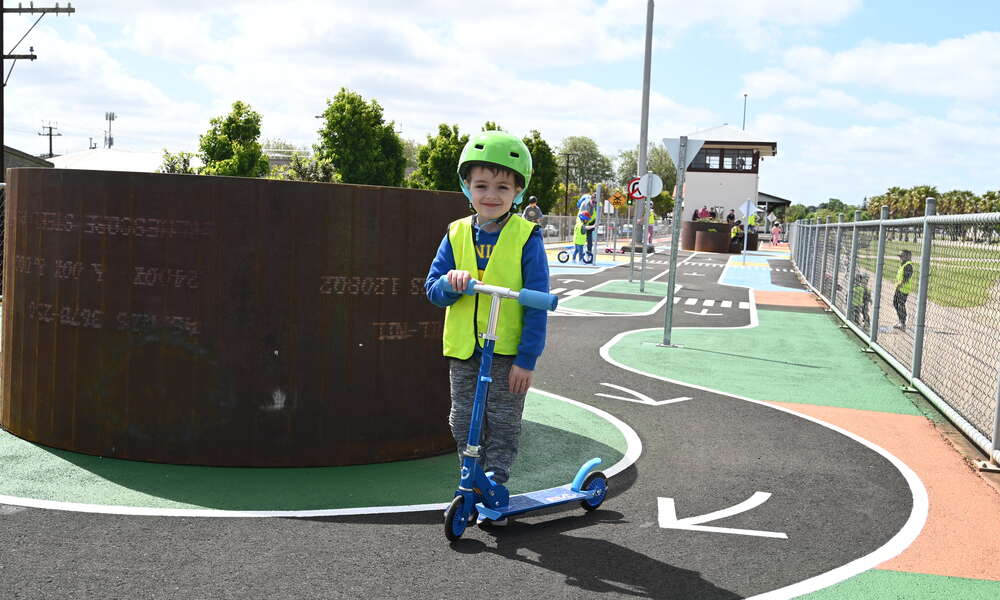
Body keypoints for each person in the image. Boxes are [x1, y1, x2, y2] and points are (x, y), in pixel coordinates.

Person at [424, 131, 549, 523]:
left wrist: (526, 359)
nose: (490, 195)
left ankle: (496, 480)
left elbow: (538, 303)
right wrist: (448, 284)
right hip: (465, 350)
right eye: (481, 185)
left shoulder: (527, 237)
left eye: (502, 186)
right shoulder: (456, 233)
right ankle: (471, 478)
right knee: (462, 419)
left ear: (518, 190)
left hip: (508, 351)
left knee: (504, 421)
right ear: (466, 187)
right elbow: (432, 288)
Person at [893, 249, 916, 330]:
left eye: (902, 256)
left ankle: (903, 322)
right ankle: (901, 320)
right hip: (899, 288)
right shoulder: (903, 264)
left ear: (908, 256)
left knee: (900, 304)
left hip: (903, 289)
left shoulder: (908, 265)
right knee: (895, 303)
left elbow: (906, 278)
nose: (900, 258)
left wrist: (899, 284)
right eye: (900, 256)